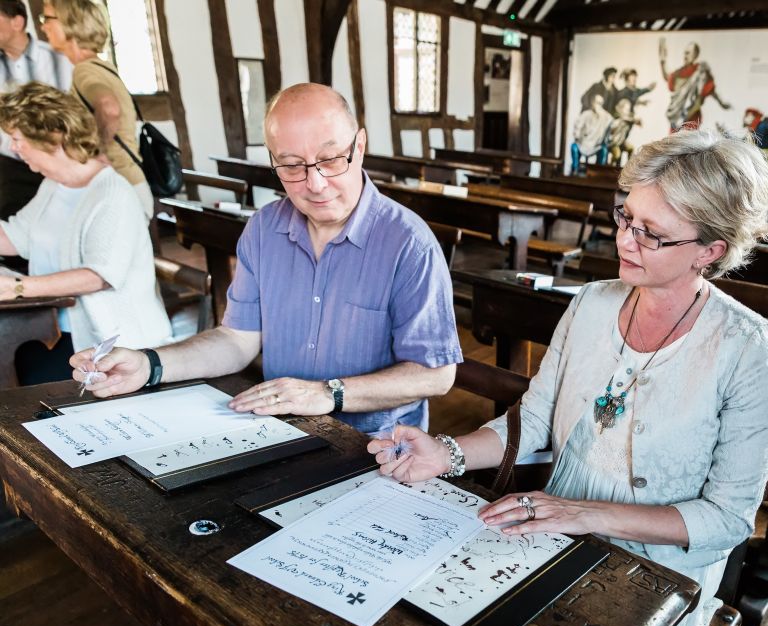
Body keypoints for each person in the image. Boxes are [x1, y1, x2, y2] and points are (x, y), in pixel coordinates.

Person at [369, 129, 768, 626]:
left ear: (711, 250)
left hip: (657, 583)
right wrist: (446, 453)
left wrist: (584, 513)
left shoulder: (746, 349)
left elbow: (727, 519)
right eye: (626, 217)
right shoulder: (591, 304)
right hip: (550, 542)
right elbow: (536, 418)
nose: (625, 240)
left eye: (652, 234)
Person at [71, 83, 462, 435]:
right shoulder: (264, 230)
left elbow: (437, 374)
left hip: (375, 447)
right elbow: (236, 341)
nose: (315, 183)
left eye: (330, 160)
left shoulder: (408, 243)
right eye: (292, 166)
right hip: (281, 431)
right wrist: (150, 365)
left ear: (359, 147)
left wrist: (329, 394)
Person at [0, 82, 170, 385]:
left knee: (18, 381)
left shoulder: (112, 193)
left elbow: (99, 276)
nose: (13, 147)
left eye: (17, 138)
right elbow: (15, 237)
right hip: (54, 328)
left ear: (51, 137)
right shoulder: (55, 185)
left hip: (110, 343)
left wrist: (17, 287)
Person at [40, 0, 152, 218]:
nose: (44, 27)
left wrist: (98, 152)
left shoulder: (84, 71)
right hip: (128, 184)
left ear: (70, 23)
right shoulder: (100, 67)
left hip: (120, 187)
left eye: (48, 19)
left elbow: (109, 108)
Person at [0, 0, 73, 218]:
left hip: (58, 162)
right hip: (10, 168)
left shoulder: (59, 59)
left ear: (17, 22)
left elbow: (73, 111)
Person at [660, 40, 731, 132]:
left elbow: (710, 89)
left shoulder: (701, 72)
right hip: (677, 116)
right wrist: (662, 61)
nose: (685, 56)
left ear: (695, 55)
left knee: (687, 144)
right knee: (672, 143)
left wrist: (721, 102)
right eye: (685, 53)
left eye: (688, 53)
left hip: (692, 117)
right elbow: (668, 77)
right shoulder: (679, 72)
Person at [570, 92, 611, 173]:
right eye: (596, 102)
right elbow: (577, 127)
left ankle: (598, 172)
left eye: (600, 103)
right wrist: (578, 137)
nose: (598, 105)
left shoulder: (606, 117)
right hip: (584, 142)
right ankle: (575, 170)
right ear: (592, 103)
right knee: (574, 147)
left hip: (596, 145)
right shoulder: (586, 114)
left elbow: (610, 124)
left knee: (604, 150)